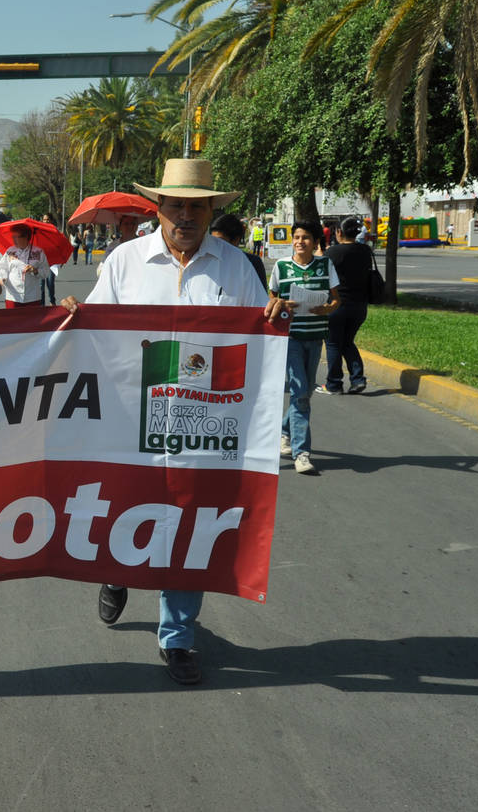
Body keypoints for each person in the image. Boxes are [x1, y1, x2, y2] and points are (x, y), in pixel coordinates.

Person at [58, 158, 291, 686]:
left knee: (191, 521)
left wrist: (276, 317)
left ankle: (178, 638)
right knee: (129, 512)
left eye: (197, 206)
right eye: (177, 205)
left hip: (203, 424)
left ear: (211, 211)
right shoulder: (124, 260)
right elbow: (94, 328)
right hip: (129, 419)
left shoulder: (237, 267)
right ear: (159, 208)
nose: (186, 215)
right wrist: (74, 312)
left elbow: (259, 337)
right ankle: (118, 574)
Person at [269, 221, 340, 475]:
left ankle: (285, 431)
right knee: (299, 391)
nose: (300, 242)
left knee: (306, 391)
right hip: (291, 338)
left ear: (315, 241)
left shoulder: (325, 265)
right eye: (297, 237)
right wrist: (281, 304)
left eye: (306, 238)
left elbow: (335, 299)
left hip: (316, 335)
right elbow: (272, 299)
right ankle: (302, 453)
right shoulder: (281, 266)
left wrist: (328, 308)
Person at [321, 216, 372, 396]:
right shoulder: (366, 251)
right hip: (359, 306)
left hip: (337, 305)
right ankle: (358, 379)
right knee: (348, 342)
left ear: (339, 232)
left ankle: (334, 384)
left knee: (333, 343)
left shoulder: (333, 253)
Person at [0, 224, 47, 308]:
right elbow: (1, 268)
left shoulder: (38, 252)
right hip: (13, 296)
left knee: (32, 321)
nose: (14, 240)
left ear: (26, 237)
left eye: (16, 237)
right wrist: (2, 278)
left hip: (32, 296)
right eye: (13, 237)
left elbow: (46, 272)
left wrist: (35, 270)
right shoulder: (10, 251)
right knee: (13, 320)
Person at [210, 213, 266, 288]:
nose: (215, 246)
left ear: (236, 240)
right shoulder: (207, 261)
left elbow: (261, 297)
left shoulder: (252, 263)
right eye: (213, 241)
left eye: (219, 241)